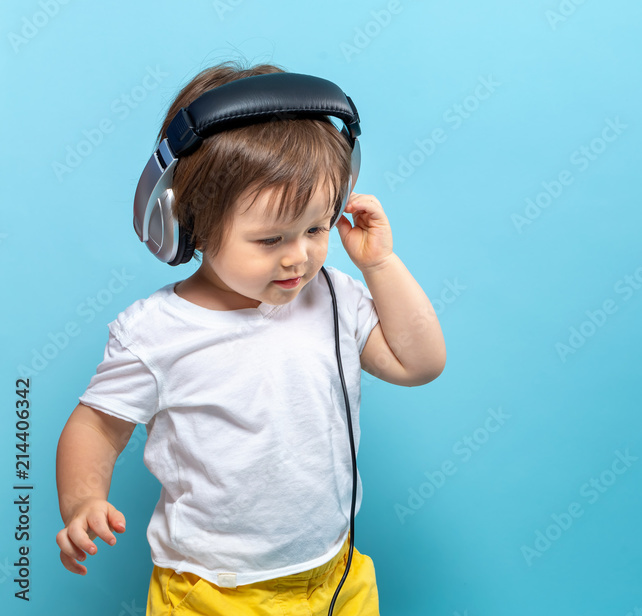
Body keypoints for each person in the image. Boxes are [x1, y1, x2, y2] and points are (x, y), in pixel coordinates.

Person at [54, 61, 446, 615]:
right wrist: (83, 500)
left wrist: (380, 264)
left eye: (316, 228)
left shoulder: (333, 294)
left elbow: (419, 363)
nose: (299, 256)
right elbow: (96, 426)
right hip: (213, 591)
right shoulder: (157, 332)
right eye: (270, 239)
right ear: (188, 226)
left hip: (336, 573)